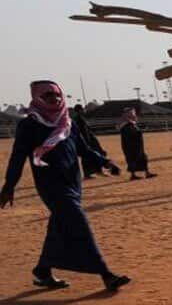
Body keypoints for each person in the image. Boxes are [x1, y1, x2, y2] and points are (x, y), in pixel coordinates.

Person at [1, 80, 130, 292]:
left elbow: (83, 149)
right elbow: (17, 157)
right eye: (47, 96)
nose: (54, 99)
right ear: (37, 99)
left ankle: (43, 270)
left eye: (56, 94)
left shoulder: (67, 122)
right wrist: (9, 185)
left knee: (59, 226)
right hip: (51, 185)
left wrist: (105, 162)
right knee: (79, 224)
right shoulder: (30, 124)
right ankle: (106, 275)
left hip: (73, 182)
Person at [119, 107, 156, 179]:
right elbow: (131, 135)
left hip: (137, 146)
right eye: (132, 113)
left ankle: (147, 173)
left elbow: (135, 133)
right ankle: (133, 175)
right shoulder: (126, 125)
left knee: (143, 158)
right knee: (132, 159)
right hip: (131, 147)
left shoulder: (131, 124)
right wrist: (139, 132)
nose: (134, 115)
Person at [71, 104, 107, 179]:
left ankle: (98, 170)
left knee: (97, 154)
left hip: (89, 140)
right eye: (82, 109)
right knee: (87, 157)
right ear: (80, 110)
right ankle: (88, 173)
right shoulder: (78, 119)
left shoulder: (80, 118)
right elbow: (82, 132)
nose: (84, 110)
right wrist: (87, 142)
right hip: (86, 141)